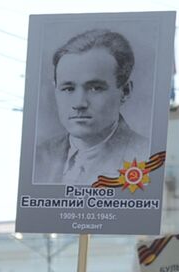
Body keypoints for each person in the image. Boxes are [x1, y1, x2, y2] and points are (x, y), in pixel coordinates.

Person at [32, 29, 151, 186]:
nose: (79, 103)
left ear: (125, 91)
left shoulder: (146, 155)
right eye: (68, 88)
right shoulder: (38, 156)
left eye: (95, 88)